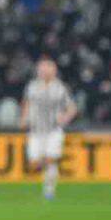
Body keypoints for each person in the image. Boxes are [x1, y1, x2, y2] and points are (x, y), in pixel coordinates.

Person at [20, 56, 77, 199]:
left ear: (54, 71)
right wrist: (23, 118)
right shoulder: (32, 86)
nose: (44, 71)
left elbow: (72, 108)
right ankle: (46, 171)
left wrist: (65, 118)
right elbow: (27, 103)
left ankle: (49, 190)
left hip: (53, 130)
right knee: (34, 163)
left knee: (51, 159)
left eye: (47, 68)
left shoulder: (60, 88)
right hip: (36, 130)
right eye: (41, 69)